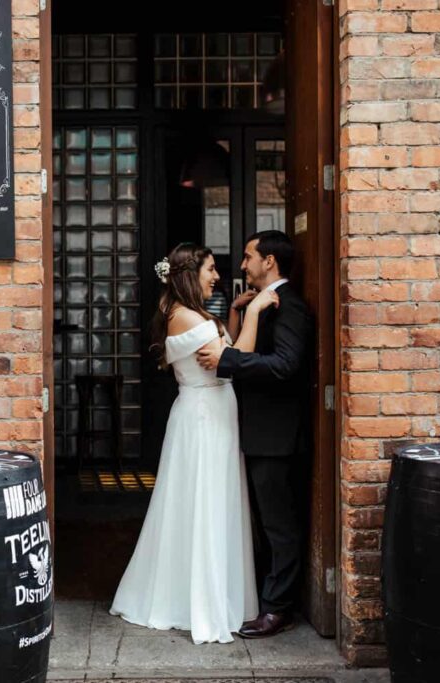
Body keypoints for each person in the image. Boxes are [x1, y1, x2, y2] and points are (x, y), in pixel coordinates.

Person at [110, 242, 280, 644]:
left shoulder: (191, 315)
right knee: (204, 503)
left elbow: (226, 354)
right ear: (191, 274)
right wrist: (254, 311)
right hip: (204, 420)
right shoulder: (184, 317)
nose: (217, 277)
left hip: (212, 412)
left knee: (213, 503)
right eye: (211, 269)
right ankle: (197, 601)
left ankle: (219, 595)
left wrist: (236, 314)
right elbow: (236, 359)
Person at [198, 230, 311, 638]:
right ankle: (269, 598)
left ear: (270, 262)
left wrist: (227, 360)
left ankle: (278, 608)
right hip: (259, 432)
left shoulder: (290, 306)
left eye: (249, 257)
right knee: (267, 523)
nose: (243, 265)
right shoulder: (262, 304)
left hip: (276, 436)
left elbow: (283, 366)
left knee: (279, 524)